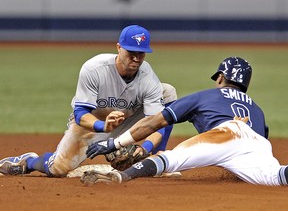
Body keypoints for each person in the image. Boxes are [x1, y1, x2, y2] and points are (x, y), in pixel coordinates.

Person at [0, 25, 177, 177]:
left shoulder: (148, 76)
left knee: (167, 92)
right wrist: (103, 126)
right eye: (131, 52)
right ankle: (29, 161)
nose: (136, 58)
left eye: (141, 53)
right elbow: (80, 114)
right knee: (58, 169)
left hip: (128, 120)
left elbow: (157, 122)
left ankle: (154, 159)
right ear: (118, 48)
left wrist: (144, 148)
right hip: (91, 123)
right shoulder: (95, 69)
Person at [83, 56, 288, 186]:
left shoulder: (204, 97)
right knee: (275, 176)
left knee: (172, 159)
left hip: (227, 133)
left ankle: (120, 177)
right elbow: (253, 141)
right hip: (259, 144)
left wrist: (114, 142)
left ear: (220, 78)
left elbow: (154, 122)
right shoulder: (258, 111)